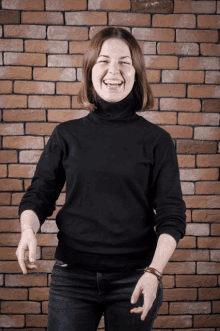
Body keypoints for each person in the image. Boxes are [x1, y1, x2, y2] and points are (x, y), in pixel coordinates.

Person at [16, 27, 186, 331]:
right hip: (72, 279)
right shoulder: (66, 135)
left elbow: (172, 216)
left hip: (135, 278)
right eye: (104, 61)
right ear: (90, 71)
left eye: (124, 62)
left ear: (136, 74)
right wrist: (28, 230)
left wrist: (154, 273)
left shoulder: (157, 141)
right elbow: (39, 195)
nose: (114, 71)